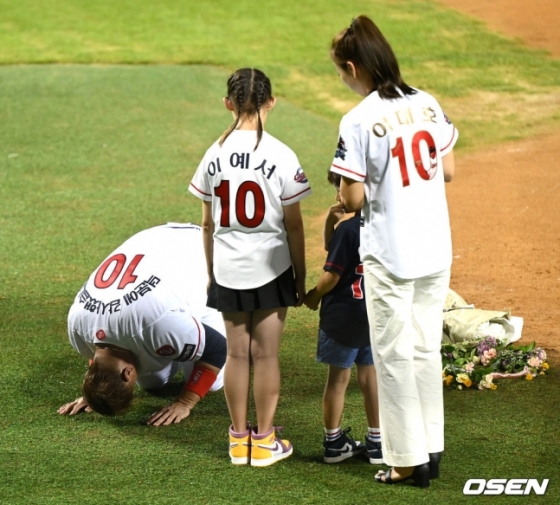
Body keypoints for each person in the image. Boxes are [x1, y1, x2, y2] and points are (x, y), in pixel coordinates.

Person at [329, 16, 458, 488]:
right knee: (425, 349)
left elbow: (353, 200)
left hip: (392, 253)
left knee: (394, 356)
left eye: (342, 73)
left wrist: (345, 194)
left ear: (352, 66)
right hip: (435, 247)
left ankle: (407, 460)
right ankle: (433, 447)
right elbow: (447, 170)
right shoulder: (426, 102)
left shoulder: (359, 118)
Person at [189, 68, 310, 466]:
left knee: (236, 356)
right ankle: (265, 440)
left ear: (228, 103)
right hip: (272, 267)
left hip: (227, 266)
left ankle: (238, 440)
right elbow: (293, 224)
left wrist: (212, 273)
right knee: (267, 356)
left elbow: (207, 223)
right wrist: (301, 276)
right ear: (270, 102)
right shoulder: (281, 154)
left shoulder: (214, 154)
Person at [58, 223, 227, 426]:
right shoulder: (77, 327)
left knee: (213, 382)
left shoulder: (155, 324)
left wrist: (185, 402)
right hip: (150, 243)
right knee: (152, 382)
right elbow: (100, 358)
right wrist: (94, 394)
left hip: (202, 252)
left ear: (127, 373)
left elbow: (217, 349)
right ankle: (185, 339)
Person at [304, 171, 382, 465]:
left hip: (342, 316)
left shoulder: (348, 230)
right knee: (370, 377)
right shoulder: (384, 223)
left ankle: (334, 442)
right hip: (374, 315)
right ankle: (377, 442)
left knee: (338, 381)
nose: (339, 195)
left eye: (342, 189)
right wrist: (329, 221)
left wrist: (313, 296)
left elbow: (331, 273)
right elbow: (335, 250)